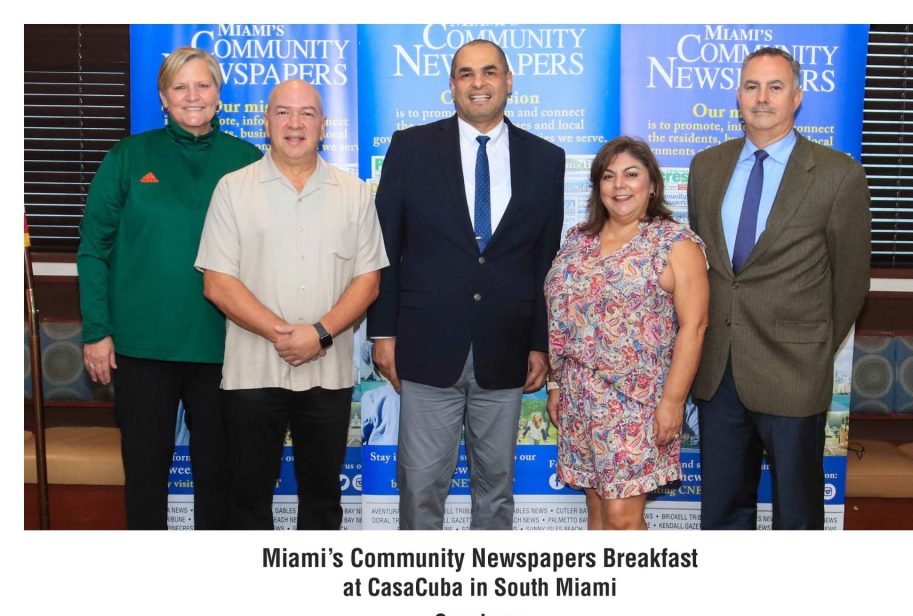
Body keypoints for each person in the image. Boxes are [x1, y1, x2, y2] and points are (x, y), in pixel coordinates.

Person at [366, 40, 565, 530]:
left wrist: (540, 343)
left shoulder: (546, 158)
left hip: (507, 350)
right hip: (425, 347)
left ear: (509, 81)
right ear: (452, 86)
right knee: (419, 489)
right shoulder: (410, 147)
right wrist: (383, 332)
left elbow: (545, 262)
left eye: (490, 72)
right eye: (466, 74)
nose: (479, 83)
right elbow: (385, 246)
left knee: (496, 493)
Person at [77, 47, 261, 530]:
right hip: (140, 349)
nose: (192, 96)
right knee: (144, 476)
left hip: (224, 347)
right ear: (163, 96)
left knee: (219, 478)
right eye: (180, 87)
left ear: (218, 94)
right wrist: (97, 331)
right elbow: (93, 250)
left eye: (203, 85)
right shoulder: (127, 157)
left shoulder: (247, 161)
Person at [687, 47, 871, 530]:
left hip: (794, 371)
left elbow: (851, 282)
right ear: (738, 96)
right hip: (719, 371)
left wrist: (812, 346)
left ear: (797, 97)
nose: (762, 98)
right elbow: (704, 266)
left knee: (797, 514)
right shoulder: (706, 167)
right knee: (723, 512)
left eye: (775, 87)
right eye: (752, 86)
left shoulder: (837, 174)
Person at [195, 79, 388, 530]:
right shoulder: (233, 189)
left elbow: (368, 280)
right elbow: (218, 283)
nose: (295, 123)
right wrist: (284, 335)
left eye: (307, 113)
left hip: (328, 371)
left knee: (322, 498)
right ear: (266, 123)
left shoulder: (354, 193)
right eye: (283, 112)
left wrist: (317, 334)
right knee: (247, 497)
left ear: (323, 125)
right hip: (253, 370)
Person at [545, 137, 709, 530]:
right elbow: (558, 318)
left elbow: (695, 326)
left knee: (622, 517)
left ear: (652, 185)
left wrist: (672, 403)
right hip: (578, 397)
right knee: (597, 508)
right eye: (609, 176)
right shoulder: (577, 240)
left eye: (631, 174)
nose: (619, 185)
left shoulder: (674, 243)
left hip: (638, 403)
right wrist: (555, 385)